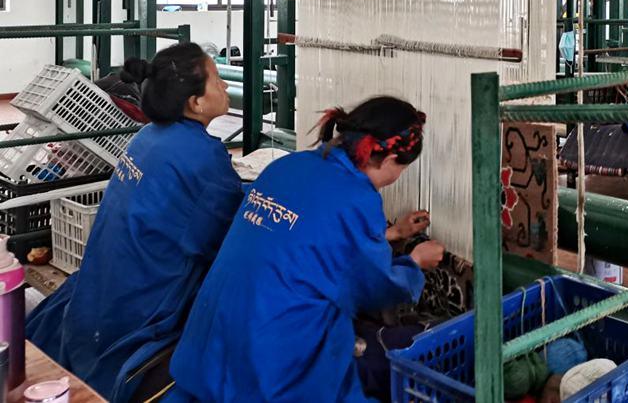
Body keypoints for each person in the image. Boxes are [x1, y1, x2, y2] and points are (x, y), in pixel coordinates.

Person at [167, 96, 445, 403]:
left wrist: (391, 233)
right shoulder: (358, 197)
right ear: (390, 158)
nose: (398, 177)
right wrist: (415, 263)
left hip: (213, 339)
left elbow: (306, 233)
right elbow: (376, 286)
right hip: (270, 355)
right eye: (402, 169)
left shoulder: (287, 165)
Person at [27, 43, 243, 402]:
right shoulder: (203, 159)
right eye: (217, 79)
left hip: (100, 291)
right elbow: (222, 241)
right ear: (195, 102)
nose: (224, 86)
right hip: (142, 303)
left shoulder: (148, 137)